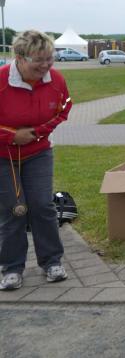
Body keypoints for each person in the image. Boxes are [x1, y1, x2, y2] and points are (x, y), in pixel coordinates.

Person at [0, 30, 72, 290]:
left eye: (49, 59)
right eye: (38, 60)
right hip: (3, 156)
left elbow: (64, 108)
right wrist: (12, 136)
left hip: (38, 152)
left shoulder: (56, 80)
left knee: (43, 206)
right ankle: (12, 268)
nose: (45, 66)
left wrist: (38, 133)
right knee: (14, 209)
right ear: (19, 58)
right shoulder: (2, 81)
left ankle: (52, 261)